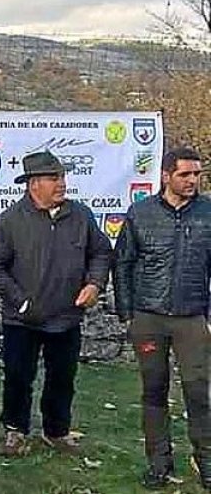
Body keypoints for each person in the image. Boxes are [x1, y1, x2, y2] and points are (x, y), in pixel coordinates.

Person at [0, 151, 112, 457]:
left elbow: (101, 252)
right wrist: (21, 302)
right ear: (33, 184)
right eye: (54, 178)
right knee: (18, 378)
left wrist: (94, 283)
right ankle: (15, 430)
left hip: (66, 317)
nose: (61, 184)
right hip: (22, 320)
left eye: (62, 177)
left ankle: (57, 431)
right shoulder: (9, 222)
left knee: (62, 378)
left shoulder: (81, 215)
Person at [113, 147, 211, 490]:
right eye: (185, 174)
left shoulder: (208, 213)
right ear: (166, 175)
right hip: (149, 317)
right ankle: (159, 462)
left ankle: (206, 461)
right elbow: (122, 264)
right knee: (154, 390)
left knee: (199, 391)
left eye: (197, 174)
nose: (192, 180)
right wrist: (127, 314)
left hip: (192, 318)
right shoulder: (140, 214)